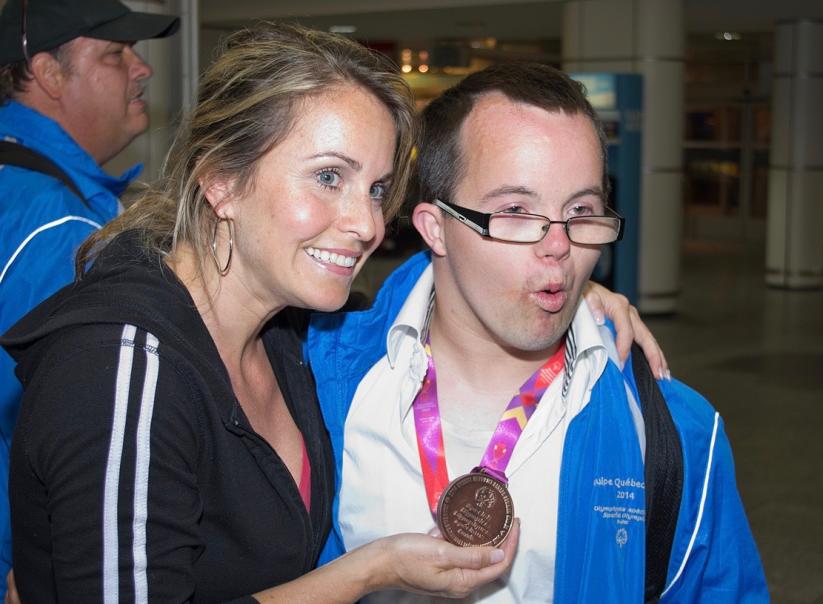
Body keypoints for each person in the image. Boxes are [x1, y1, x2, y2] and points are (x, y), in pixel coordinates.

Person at [0, 22, 530, 602]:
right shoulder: (124, 366)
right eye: (329, 177)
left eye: (377, 189)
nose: (368, 225)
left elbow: (425, 309)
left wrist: (575, 302)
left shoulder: (288, 330)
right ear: (222, 180)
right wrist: (369, 571)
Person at [308, 62, 769, 603]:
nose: (559, 246)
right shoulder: (318, 382)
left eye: (580, 210)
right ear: (436, 228)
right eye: (516, 211)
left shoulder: (674, 432)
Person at [0, 0, 179, 592]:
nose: (142, 69)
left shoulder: (20, 190)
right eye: (113, 54)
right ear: (49, 73)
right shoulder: (58, 227)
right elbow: (69, 428)